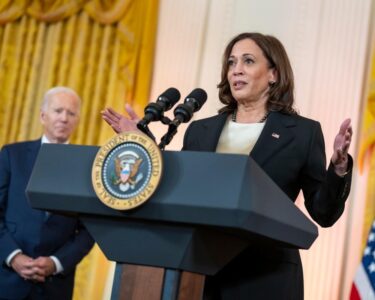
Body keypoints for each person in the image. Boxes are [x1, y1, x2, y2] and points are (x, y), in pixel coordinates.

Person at [101, 32, 353, 300]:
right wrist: (144, 144)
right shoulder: (200, 130)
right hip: (202, 273)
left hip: (266, 276)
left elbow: (323, 213)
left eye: (248, 61)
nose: (237, 70)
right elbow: (180, 186)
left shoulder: (302, 132)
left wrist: (338, 168)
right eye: (231, 63)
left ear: (274, 74)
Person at [0, 87, 95, 300]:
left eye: (71, 113)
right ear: (43, 116)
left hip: (54, 286)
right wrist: (13, 256)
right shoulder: (11, 155)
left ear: (78, 120)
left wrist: (56, 263)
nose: (64, 118)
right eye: (58, 110)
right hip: (6, 279)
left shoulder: (89, 168)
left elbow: (90, 229)